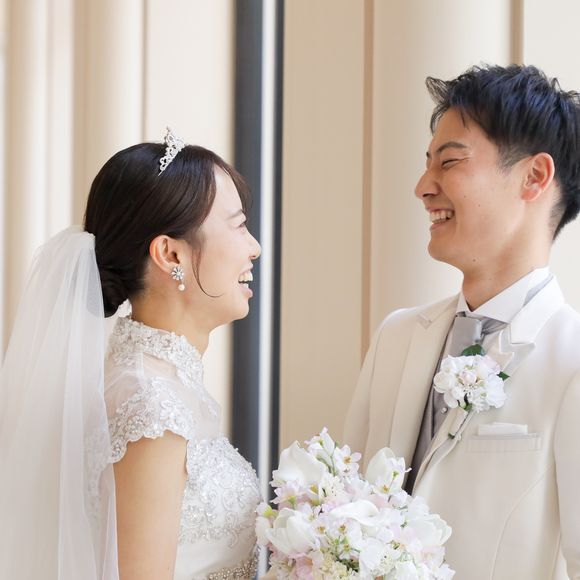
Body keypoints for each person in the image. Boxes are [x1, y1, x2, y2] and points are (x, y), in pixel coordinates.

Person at [345, 65, 580, 579]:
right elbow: (346, 511)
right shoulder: (396, 337)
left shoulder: (572, 358)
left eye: (449, 162)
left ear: (534, 177)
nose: (422, 187)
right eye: (427, 164)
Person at [0, 128, 262, 580]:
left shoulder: (150, 383)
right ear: (170, 254)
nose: (254, 247)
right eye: (238, 226)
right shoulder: (152, 407)